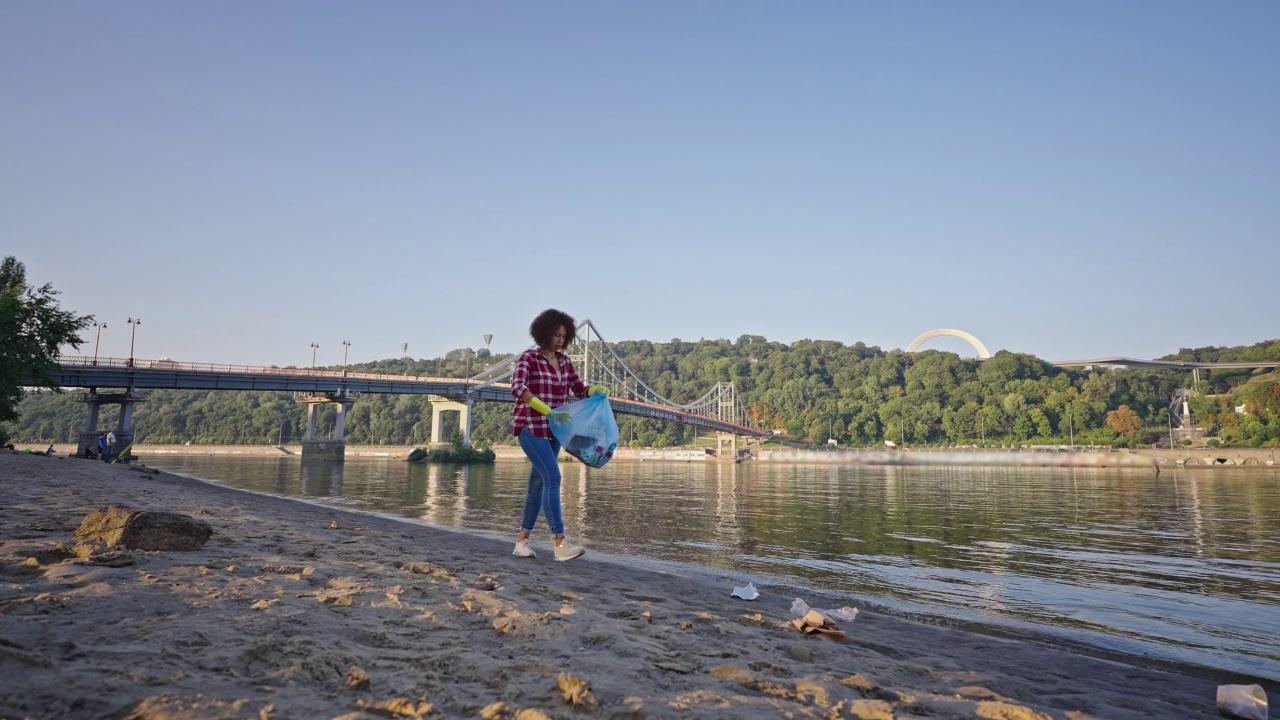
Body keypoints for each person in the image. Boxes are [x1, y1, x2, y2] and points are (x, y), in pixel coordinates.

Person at [509, 309, 607, 562]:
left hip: (554, 431)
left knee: (537, 485)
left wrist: (594, 390)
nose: (561, 339)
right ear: (544, 332)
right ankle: (560, 544)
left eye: (564, 335)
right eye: (556, 334)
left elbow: (579, 388)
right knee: (553, 477)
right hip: (530, 426)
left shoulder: (564, 362)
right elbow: (518, 387)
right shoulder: (529, 358)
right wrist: (545, 409)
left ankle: (522, 543)